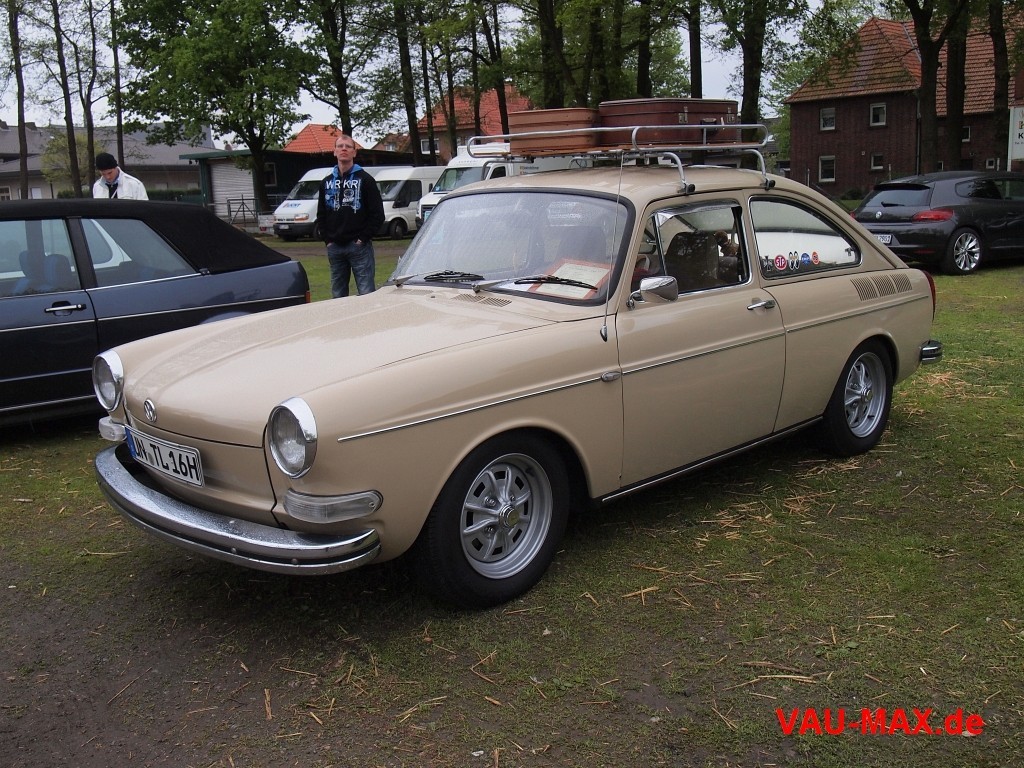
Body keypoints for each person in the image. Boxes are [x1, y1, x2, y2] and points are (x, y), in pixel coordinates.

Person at [317, 134, 385, 297]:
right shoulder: (326, 182)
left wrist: (362, 239)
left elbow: (377, 214)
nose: (344, 149)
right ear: (334, 151)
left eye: (348, 146)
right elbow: (321, 214)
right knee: (338, 295)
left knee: (366, 293)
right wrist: (327, 240)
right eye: (340, 146)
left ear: (354, 152)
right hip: (335, 247)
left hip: (359, 247)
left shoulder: (366, 180)